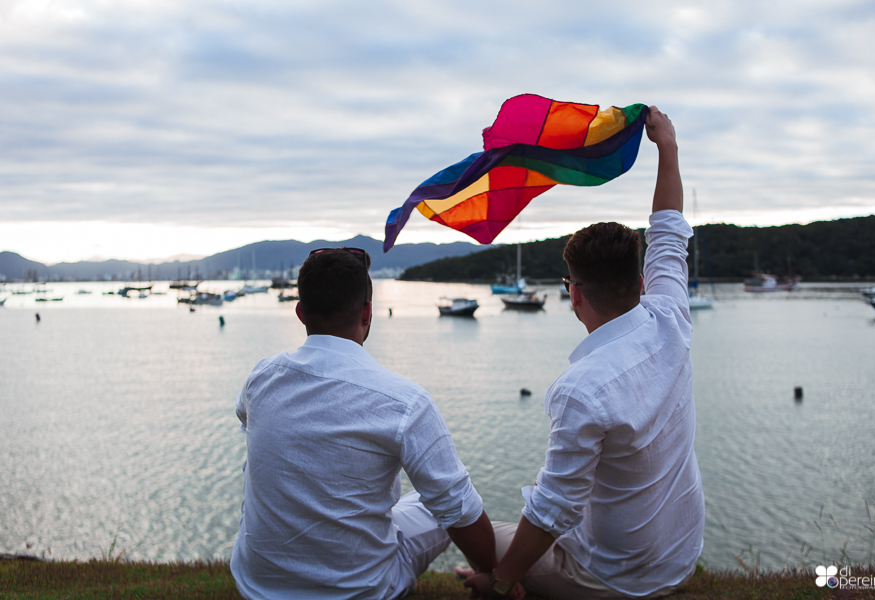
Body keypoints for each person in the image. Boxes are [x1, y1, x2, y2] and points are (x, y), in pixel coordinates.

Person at [461, 106, 705, 599]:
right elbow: (669, 233)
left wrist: (501, 580)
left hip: (612, 581)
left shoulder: (582, 389)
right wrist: (668, 147)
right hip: (678, 559)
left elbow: (554, 508)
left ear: (574, 294)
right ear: (640, 283)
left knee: (454, 523)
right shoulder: (671, 319)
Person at [230, 247, 500, 600]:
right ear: (367, 312)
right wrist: (493, 572)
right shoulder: (403, 400)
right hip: (363, 590)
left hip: (258, 586)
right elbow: (459, 510)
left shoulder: (260, 378)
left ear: (300, 313)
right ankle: (485, 576)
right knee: (444, 502)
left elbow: (247, 420)